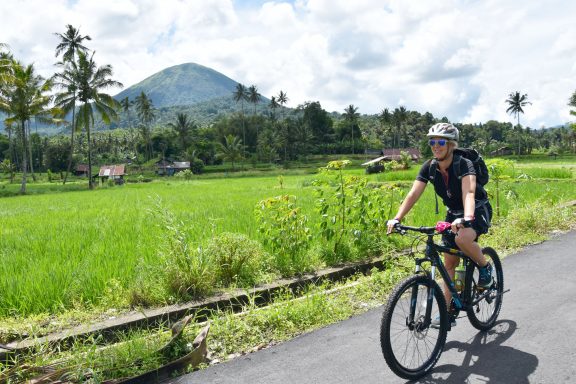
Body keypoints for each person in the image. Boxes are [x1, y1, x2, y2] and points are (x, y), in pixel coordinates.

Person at [386, 122, 493, 327]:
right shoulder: (430, 166)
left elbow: (469, 193)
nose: (436, 145)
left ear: (451, 144)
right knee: (449, 263)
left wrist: (466, 217)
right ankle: (447, 312)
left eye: (441, 142)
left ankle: (485, 267)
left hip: (476, 209)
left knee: (462, 238)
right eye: (432, 142)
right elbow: (413, 194)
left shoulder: (463, 164)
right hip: (453, 214)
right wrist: (397, 218)